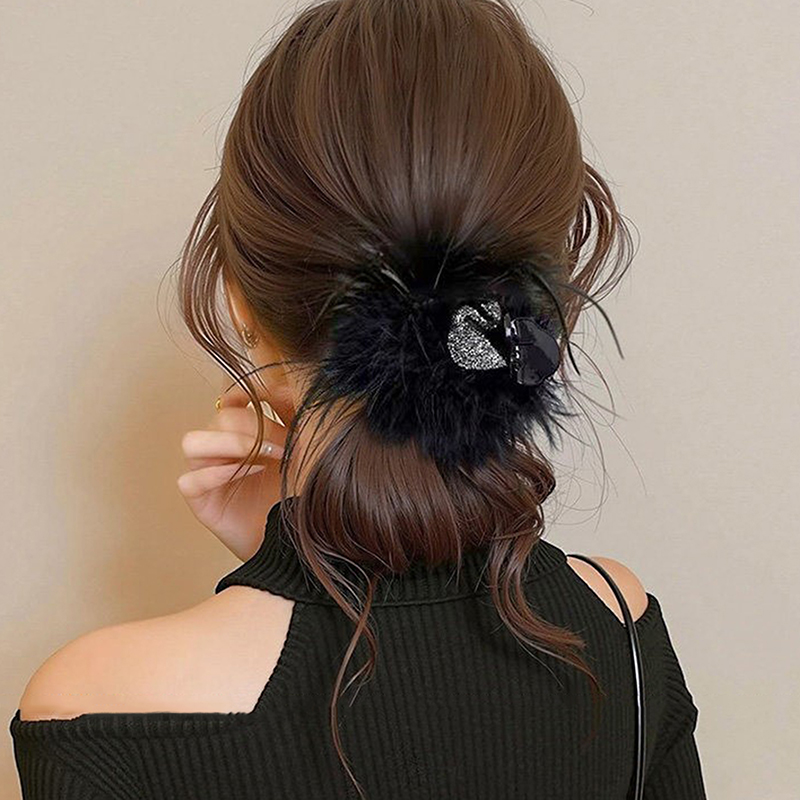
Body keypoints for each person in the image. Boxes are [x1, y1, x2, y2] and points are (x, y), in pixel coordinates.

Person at [9, 0, 707, 797]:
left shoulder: (96, 709)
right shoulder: (618, 628)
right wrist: (306, 549)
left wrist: (294, 558)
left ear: (240, 302)